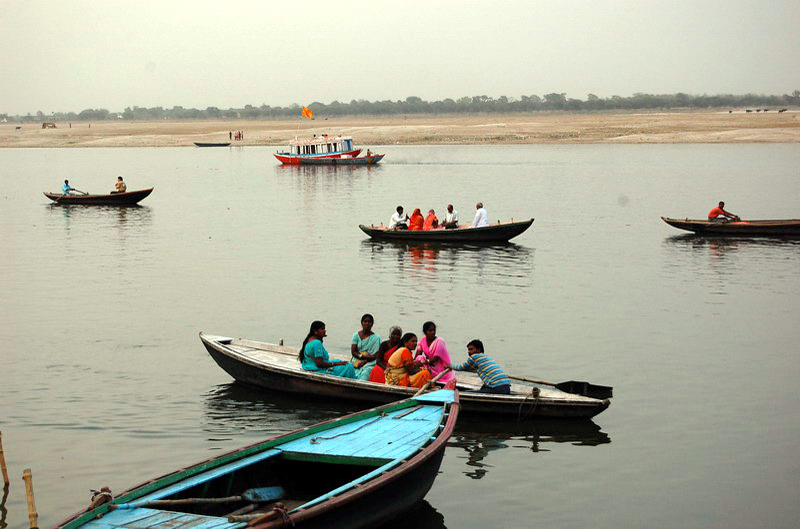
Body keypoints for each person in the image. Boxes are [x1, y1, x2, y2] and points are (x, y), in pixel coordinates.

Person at [350, 313, 382, 381]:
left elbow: (375, 355)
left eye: (369, 322)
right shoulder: (356, 335)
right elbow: (353, 352)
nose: (367, 323)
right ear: (362, 323)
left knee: (366, 372)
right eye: (365, 321)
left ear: (372, 324)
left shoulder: (377, 338)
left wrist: (364, 361)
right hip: (357, 359)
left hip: (370, 362)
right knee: (349, 369)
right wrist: (362, 357)